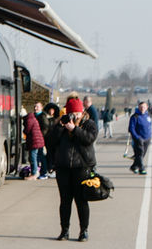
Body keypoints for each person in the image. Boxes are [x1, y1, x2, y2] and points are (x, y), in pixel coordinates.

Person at [44, 96, 98, 241]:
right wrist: (61, 126)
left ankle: (84, 231)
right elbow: (49, 141)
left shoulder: (89, 123)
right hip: (63, 167)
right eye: (72, 112)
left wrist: (74, 129)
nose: (75, 115)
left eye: (77, 113)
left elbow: (89, 139)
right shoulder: (60, 124)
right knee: (65, 201)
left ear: (82, 112)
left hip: (82, 167)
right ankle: (65, 230)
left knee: (81, 200)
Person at [127, 101, 152, 175]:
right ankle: (141, 168)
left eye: (144, 107)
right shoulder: (135, 116)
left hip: (147, 138)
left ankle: (134, 166)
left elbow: (149, 125)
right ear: (138, 107)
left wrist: (149, 135)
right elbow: (131, 128)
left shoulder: (148, 116)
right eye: (141, 107)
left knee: (142, 154)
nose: (142, 108)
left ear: (146, 107)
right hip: (138, 139)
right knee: (140, 153)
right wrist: (137, 137)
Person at [24, 103, 46, 179]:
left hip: (35, 140)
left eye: (37, 106)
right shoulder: (34, 118)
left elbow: (27, 130)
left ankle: (34, 173)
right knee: (37, 157)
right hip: (38, 140)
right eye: (34, 106)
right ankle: (37, 172)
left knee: (33, 157)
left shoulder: (30, 119)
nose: (35, 108)